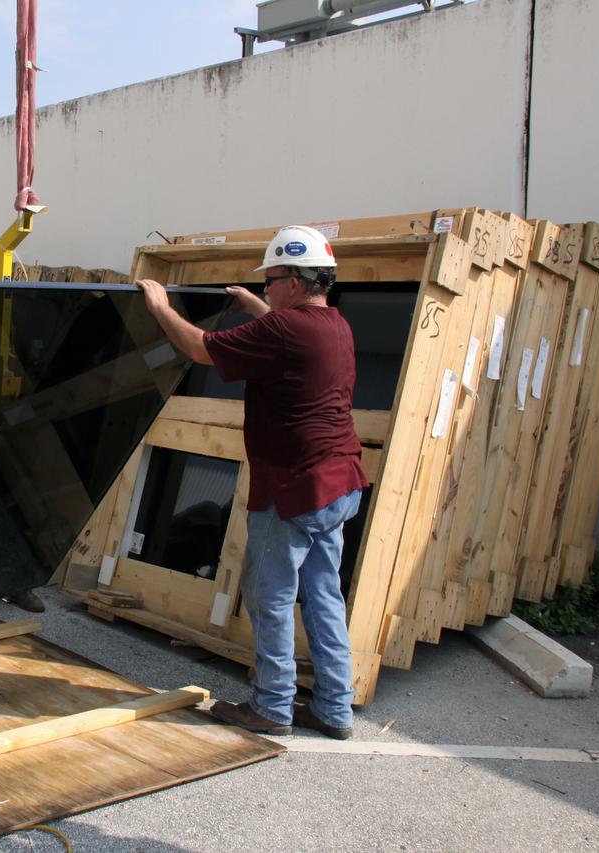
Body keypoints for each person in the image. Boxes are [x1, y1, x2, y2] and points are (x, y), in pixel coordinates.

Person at [136, 224, 367, 740]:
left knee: (271, 598)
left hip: (294, 490)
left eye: (272, 280)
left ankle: (271, 707)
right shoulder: (335, 325)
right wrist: (255, 308)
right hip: (338, 484)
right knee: (325, 596)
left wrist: (158, 306)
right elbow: (288, 336)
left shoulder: (283, 331)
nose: (267, 288)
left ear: (295, 281)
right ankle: (333, 708)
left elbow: (199, 348)